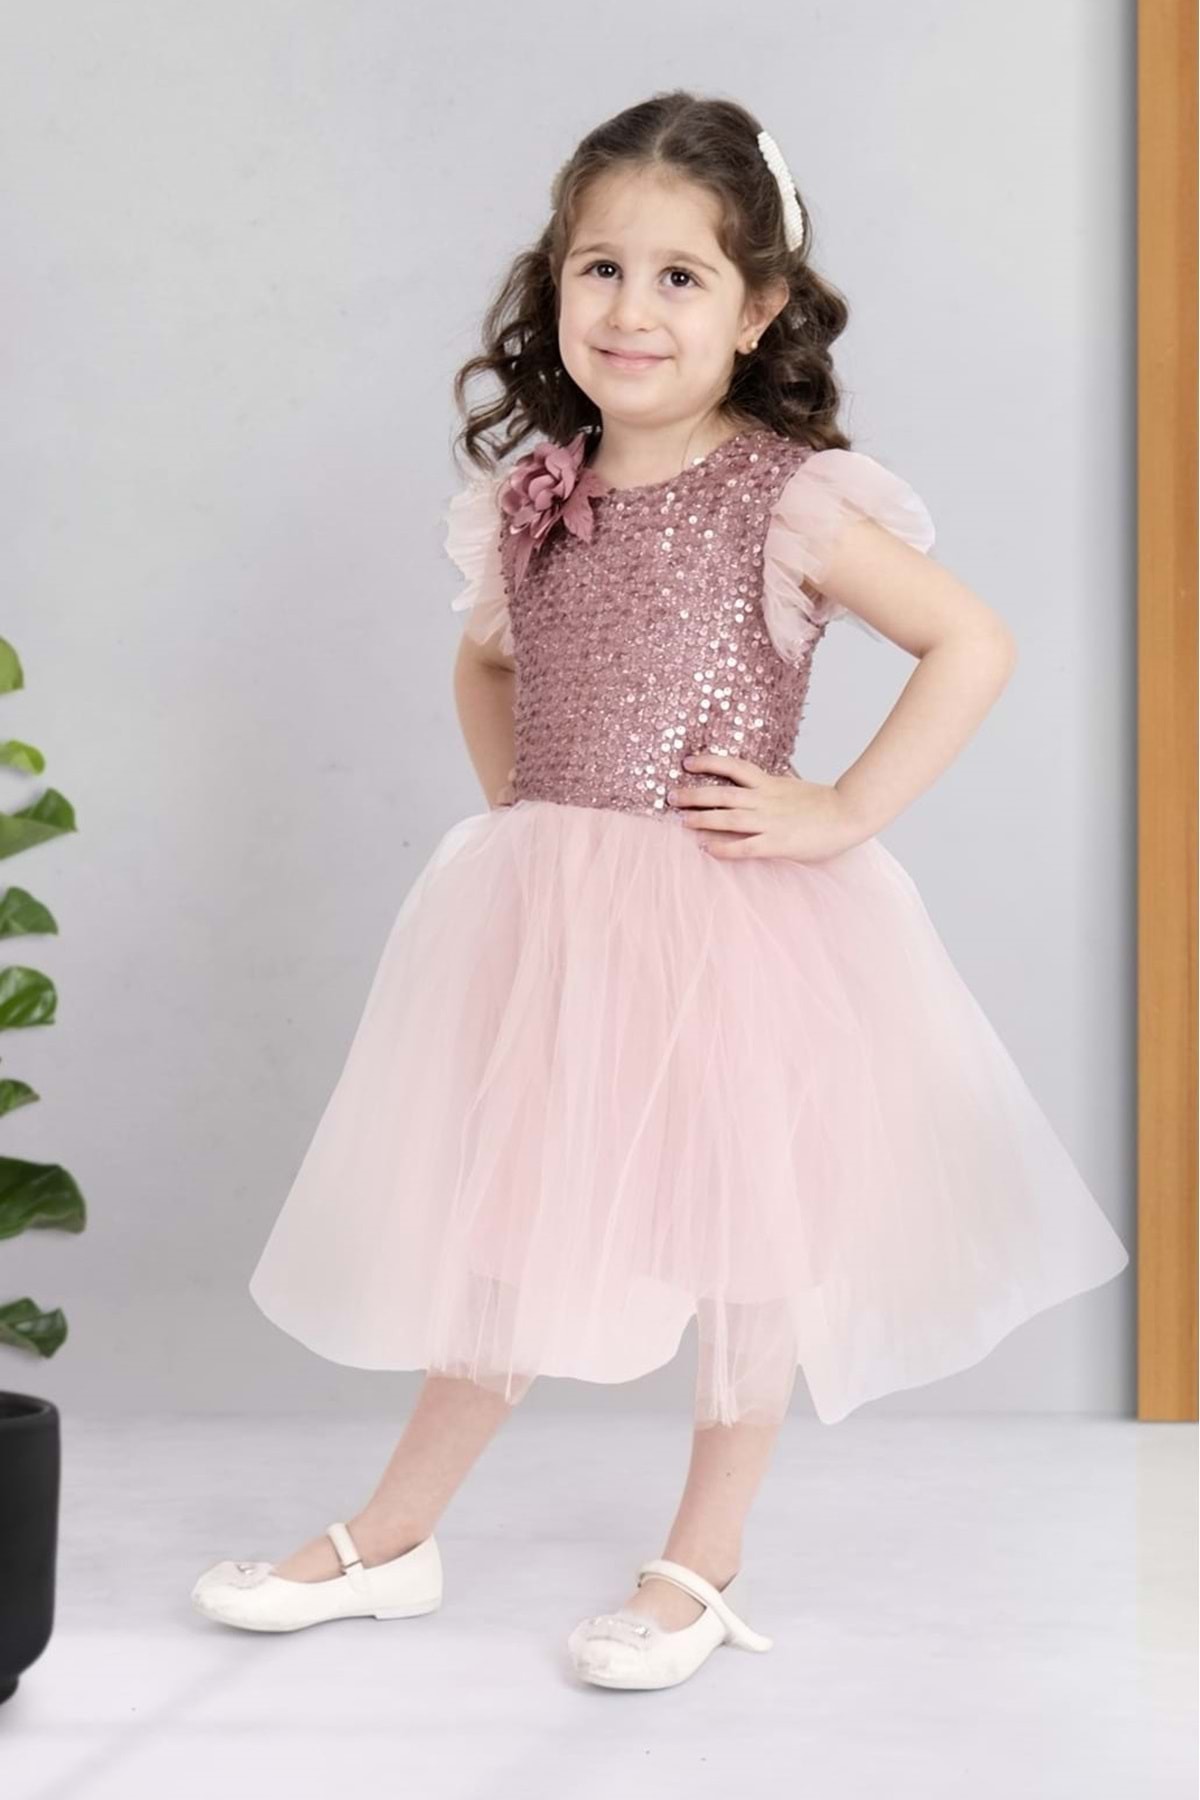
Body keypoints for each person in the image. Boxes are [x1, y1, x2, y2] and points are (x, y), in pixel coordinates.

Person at [190, 90, 1130, 1691]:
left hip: (727, 925)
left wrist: (842, 808)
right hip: (559, 923)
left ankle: (704, 1554)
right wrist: (536, 820)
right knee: (511, 1218)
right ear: (554, 285)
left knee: (745, 1238)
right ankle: (398, 1533)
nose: (633, 310)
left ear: (756, 308)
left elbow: (971, 642)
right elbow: (491, 663)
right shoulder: (534, 496)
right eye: (601, 269)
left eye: (681, 277)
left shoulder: (787, 495)